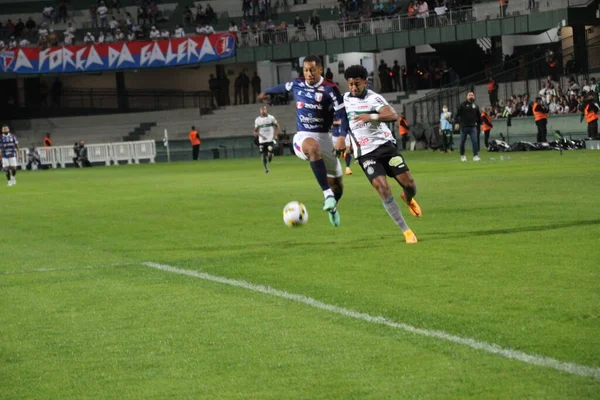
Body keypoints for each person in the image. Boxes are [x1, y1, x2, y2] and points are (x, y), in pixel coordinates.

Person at [258, 55, 347, 227]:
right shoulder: (297, 83)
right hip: (303, 136)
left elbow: (342, 115)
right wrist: (266, 92)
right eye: (306, 70)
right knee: (313, 148)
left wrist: (342, 137)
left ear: (320, 69)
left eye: (313, 69)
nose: (309, 73)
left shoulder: (330, 89)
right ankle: (327, 195)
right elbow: (283, 87)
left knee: (338, 187)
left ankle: (332, 206)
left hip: (325, 137)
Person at [342, 65, 420, 244]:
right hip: (365, 153)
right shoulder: (344, 100)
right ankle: (406, 230)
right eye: (351, 84)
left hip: (385, 146)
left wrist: (372, 117)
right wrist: (345, 141)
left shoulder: (373, 98)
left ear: (365, 82)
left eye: (357, 84)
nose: (353, 88)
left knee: (409, 185)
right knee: (382, 187)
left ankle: (407, 198)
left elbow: (392, 115)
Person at [455, 91, 481, 162]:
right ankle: (462, 155)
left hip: (473, 127)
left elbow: (479, 116)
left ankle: (475, 156)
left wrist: (480, 124)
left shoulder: (476, 106)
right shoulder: (462, 105)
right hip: (464, 126)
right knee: (462, 142)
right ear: (467, 97)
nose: (471, 96)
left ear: (474, 97)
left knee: (475, 141)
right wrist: (457, 123)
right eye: (469, 95)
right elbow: (457, 114)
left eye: (472, 95)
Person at [254, 106, 280, 173]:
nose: (263, 111)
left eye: (264, 110)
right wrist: (257, 134)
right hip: (262, 140)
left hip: (270, 139)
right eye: (261, 110)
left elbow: (277, 126)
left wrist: (276, 135)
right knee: (263, 155)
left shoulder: (271, 118)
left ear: (266, 110)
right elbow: (255, 130)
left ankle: (270, 156)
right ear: (260, 111)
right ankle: (266, 168)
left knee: (269, 152)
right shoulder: (257, 120)